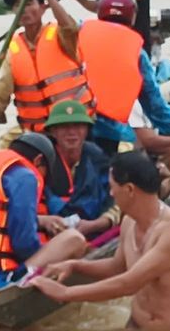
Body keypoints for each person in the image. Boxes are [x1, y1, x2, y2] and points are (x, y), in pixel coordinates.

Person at [30, 151, 170, 330]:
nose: (111, 194)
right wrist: (75, 265)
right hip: (137, 325)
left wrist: (66, 293)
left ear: (129, 189)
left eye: (113, 187)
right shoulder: (129, 222)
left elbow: (129, 284)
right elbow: (117, 267)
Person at [0, 133, 87, 299]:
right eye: (44, 172)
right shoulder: (25, 176)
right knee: (74, 240)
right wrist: (50, 252)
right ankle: (18, 280)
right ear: (38, 161)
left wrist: (42, 221)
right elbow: (24, 243)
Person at [0, 0, 95, 139]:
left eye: (28, 3)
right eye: (17, 6)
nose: (23, 10)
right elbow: (0, 96)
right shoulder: (13, 49)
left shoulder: (60, 34)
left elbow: (70, 27)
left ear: (43, 8)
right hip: (39, 135)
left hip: (74, 127)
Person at [78, 0, 170, 156]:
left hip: (73, 122)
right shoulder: (137, 53)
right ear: (132, 17)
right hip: (109, 132)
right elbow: (152, 101)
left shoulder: (79, 36)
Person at [41, 100, 118, 238]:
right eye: (64, 126)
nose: (71, 132)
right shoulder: (42, 162)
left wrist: (98, 223)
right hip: (49, 234)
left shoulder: (97, 158)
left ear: (86, 130)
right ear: (53, 131)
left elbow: (117, 199)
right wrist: (45, 222)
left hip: (93, 231)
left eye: (77, 126)